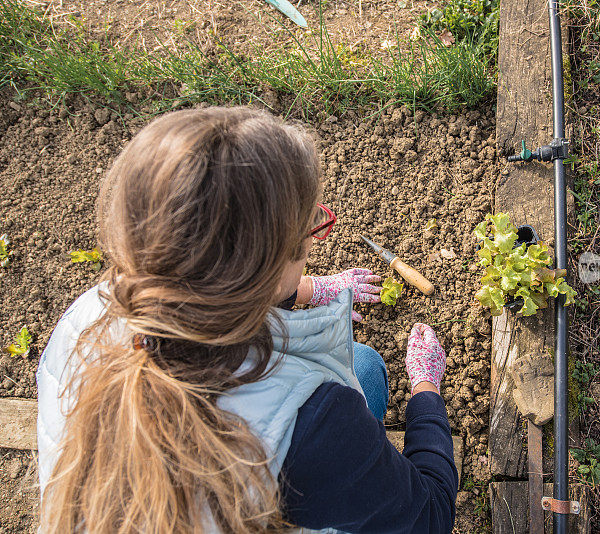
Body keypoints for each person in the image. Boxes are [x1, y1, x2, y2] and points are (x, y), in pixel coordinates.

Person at [36, 107, 457, 533]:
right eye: (312, 228)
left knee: (362, 364)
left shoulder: (88, 314)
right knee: (365, 372)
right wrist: (425, 388)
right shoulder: (313, 423)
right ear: (262, 272)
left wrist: (309, 288)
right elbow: (431, 516)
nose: (314, 237)